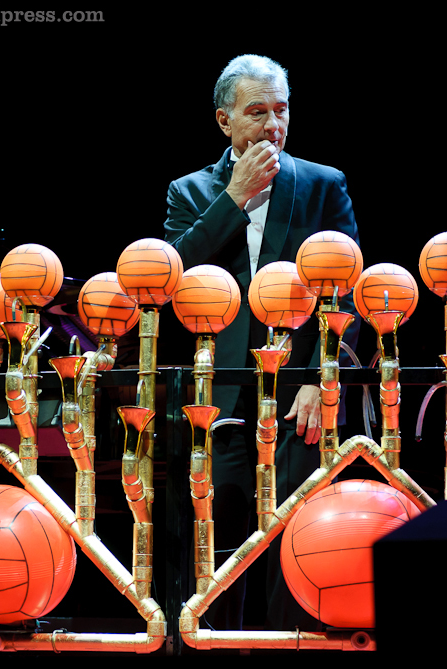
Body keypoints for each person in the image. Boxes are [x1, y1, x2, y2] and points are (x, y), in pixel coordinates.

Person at [164, 54, 360, 631]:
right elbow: (172, 278)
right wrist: (235, 196)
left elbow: (344, 292)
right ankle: (214, 645)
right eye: (257, 112)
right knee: (218, 545)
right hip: (221, 397)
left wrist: (321, 378)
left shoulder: (323, 184)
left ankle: (293, 645)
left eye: (282, 110)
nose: (274, 125)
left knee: (297, 535)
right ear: (224, 120)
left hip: (300, 397)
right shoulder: (190, 191)